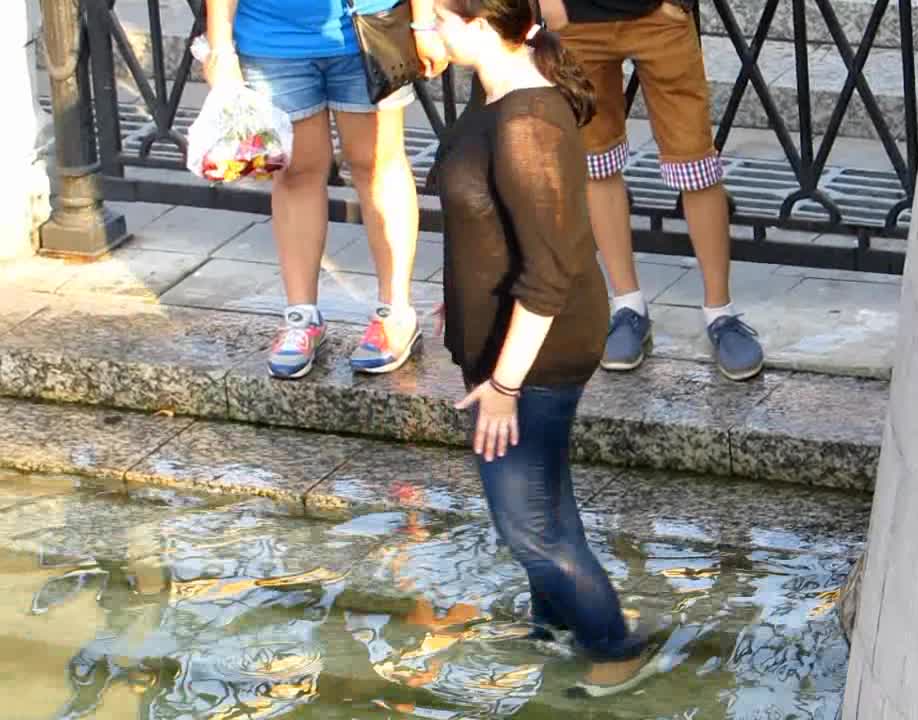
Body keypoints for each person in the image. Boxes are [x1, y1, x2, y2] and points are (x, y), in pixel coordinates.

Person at [424, 0, 669, 697]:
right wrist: (461, 292)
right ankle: (556, 623)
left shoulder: (526, 123)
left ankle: (615, 648)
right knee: (547, 504)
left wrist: (504, 387)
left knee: (527, 526)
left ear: (479, 25)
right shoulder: (502, 86)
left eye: (438, 18)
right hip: (512, 340)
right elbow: (496, 222)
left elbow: (549, 273)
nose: (426, 29)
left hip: (535, 354)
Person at [203, 0, 444, 379]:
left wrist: (425, 24)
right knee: (296, 172)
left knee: (377, 164)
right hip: (271, 34)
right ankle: (301, 316)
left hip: (371, 23)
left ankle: (395, 311)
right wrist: (220, 45)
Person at [536, 0, 764, 381]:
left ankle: (721, 312)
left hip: (658, 15)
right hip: (576, 21)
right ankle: (627, 305)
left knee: (696, 164)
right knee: (596, 162)